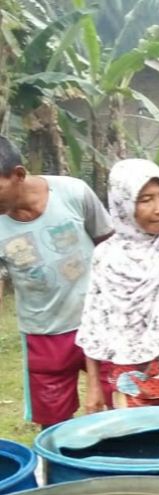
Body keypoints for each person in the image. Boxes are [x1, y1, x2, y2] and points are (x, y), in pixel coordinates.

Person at [0, 135, 113, 427]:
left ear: (19, 175)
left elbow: (110, 247)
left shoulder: (74, 193)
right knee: (53, 424)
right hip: (43, 333)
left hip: (100, 324)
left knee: (120, 407)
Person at [77, 159, 159, 408]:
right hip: (131, 379)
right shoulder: (107, 256)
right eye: (145, 200)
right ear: (123, 204)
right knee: (137, 444)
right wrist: (93, 387)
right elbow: (95, 323)